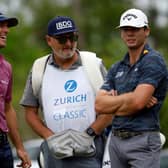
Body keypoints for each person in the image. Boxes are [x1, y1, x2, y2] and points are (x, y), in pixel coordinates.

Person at [20, 16, 112, 168]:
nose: (68, 44)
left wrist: (89, 134)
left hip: (92, 150)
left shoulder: (94, 64)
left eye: (72, 38)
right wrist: (50, 137)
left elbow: (111, 108)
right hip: (55, 154)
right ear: (49, 40)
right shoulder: (39, 69)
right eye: (62, 39)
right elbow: (30, 113)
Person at [95, 8, 168, 168]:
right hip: (115, 141)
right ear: (121, 33)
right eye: (125, 29)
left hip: (143, 140)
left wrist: (114, 103)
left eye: (134, 29)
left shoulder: (153, 61)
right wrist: (131, 98)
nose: (129, 33)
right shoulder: (116, 67)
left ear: (146, 31)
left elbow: (138, 103)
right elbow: (99, 105)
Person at [0, 12, 31, 168]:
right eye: (1, 25)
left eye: (7, 26)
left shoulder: (6, 67)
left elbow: (7, 108)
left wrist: (19, 147)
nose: (6, 30)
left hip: (3, 145)